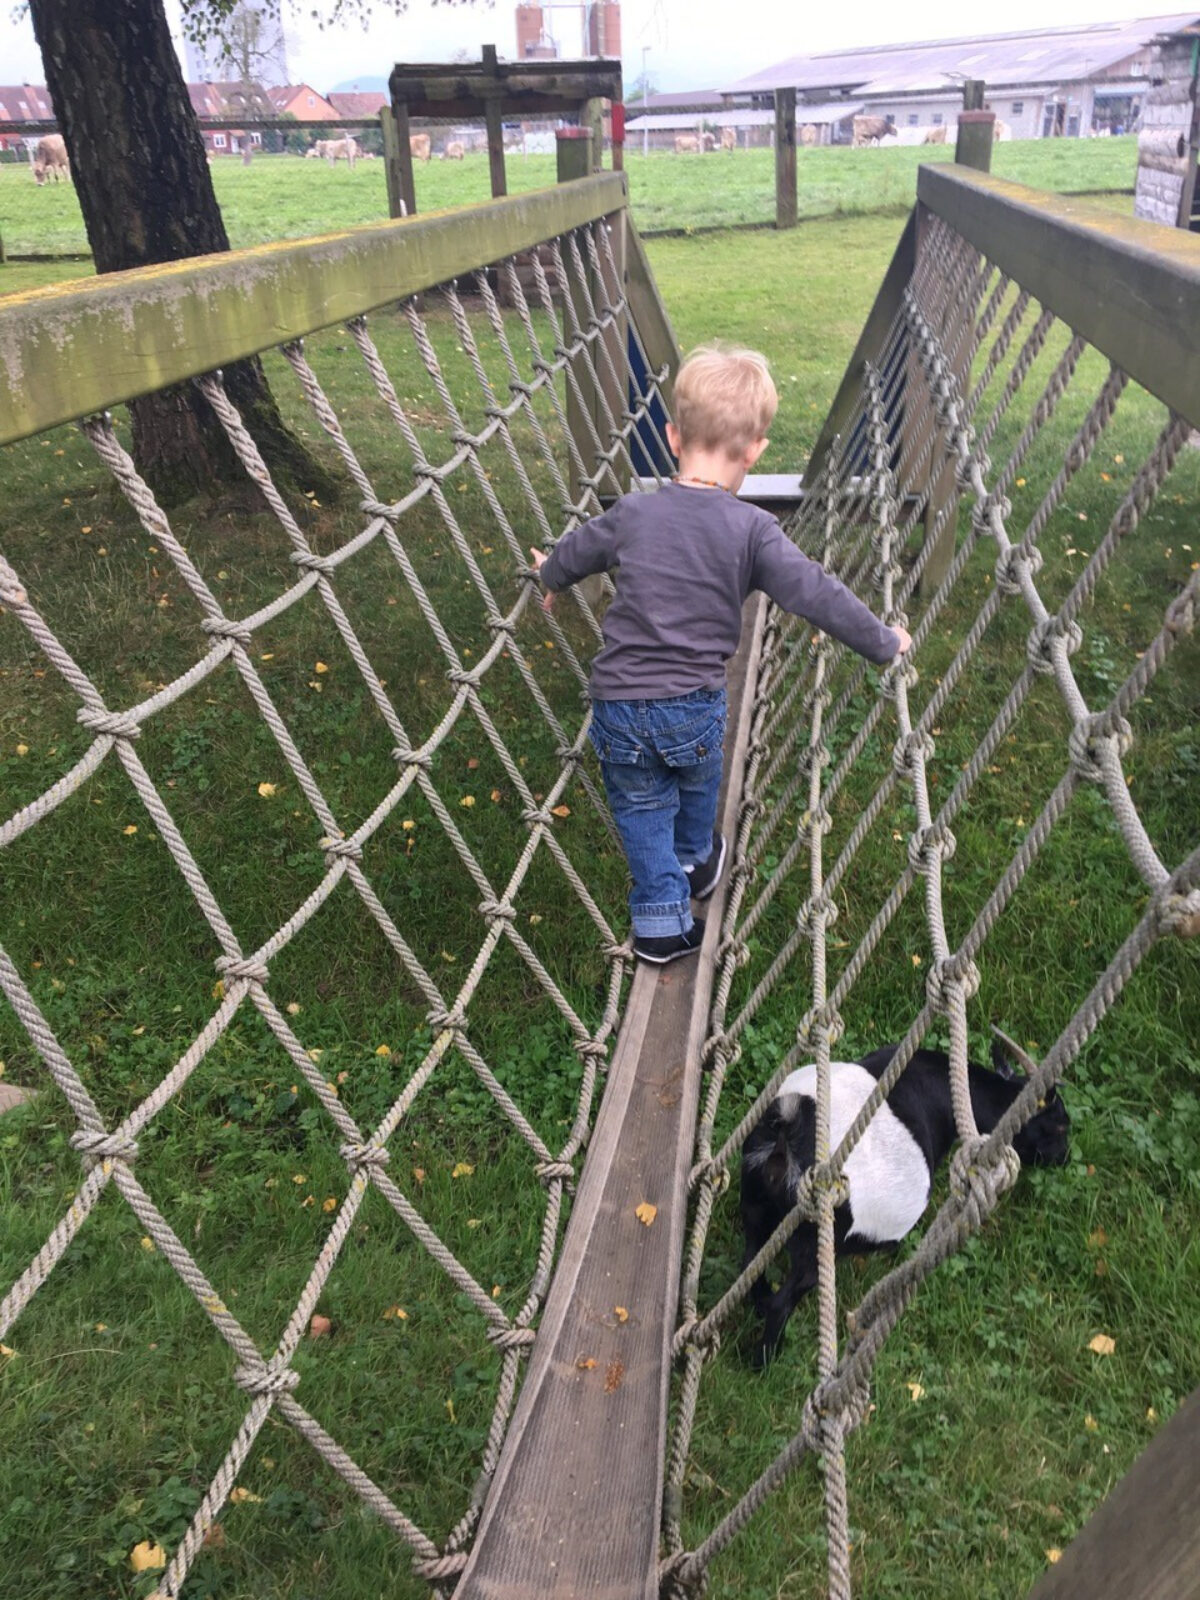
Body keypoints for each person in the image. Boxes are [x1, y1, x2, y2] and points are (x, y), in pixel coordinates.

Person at [531, 344, 912, 966]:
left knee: (640, 804)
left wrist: (550, 575)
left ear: (673, 436)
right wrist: (882, 640)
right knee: (699, 777)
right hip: (693, 707)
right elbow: (816, 593)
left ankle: (660, 922)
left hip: (618, 706)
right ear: (756, 450)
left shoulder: (631, 512)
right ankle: (696, 858)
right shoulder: (754, 530)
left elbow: (578, 551)